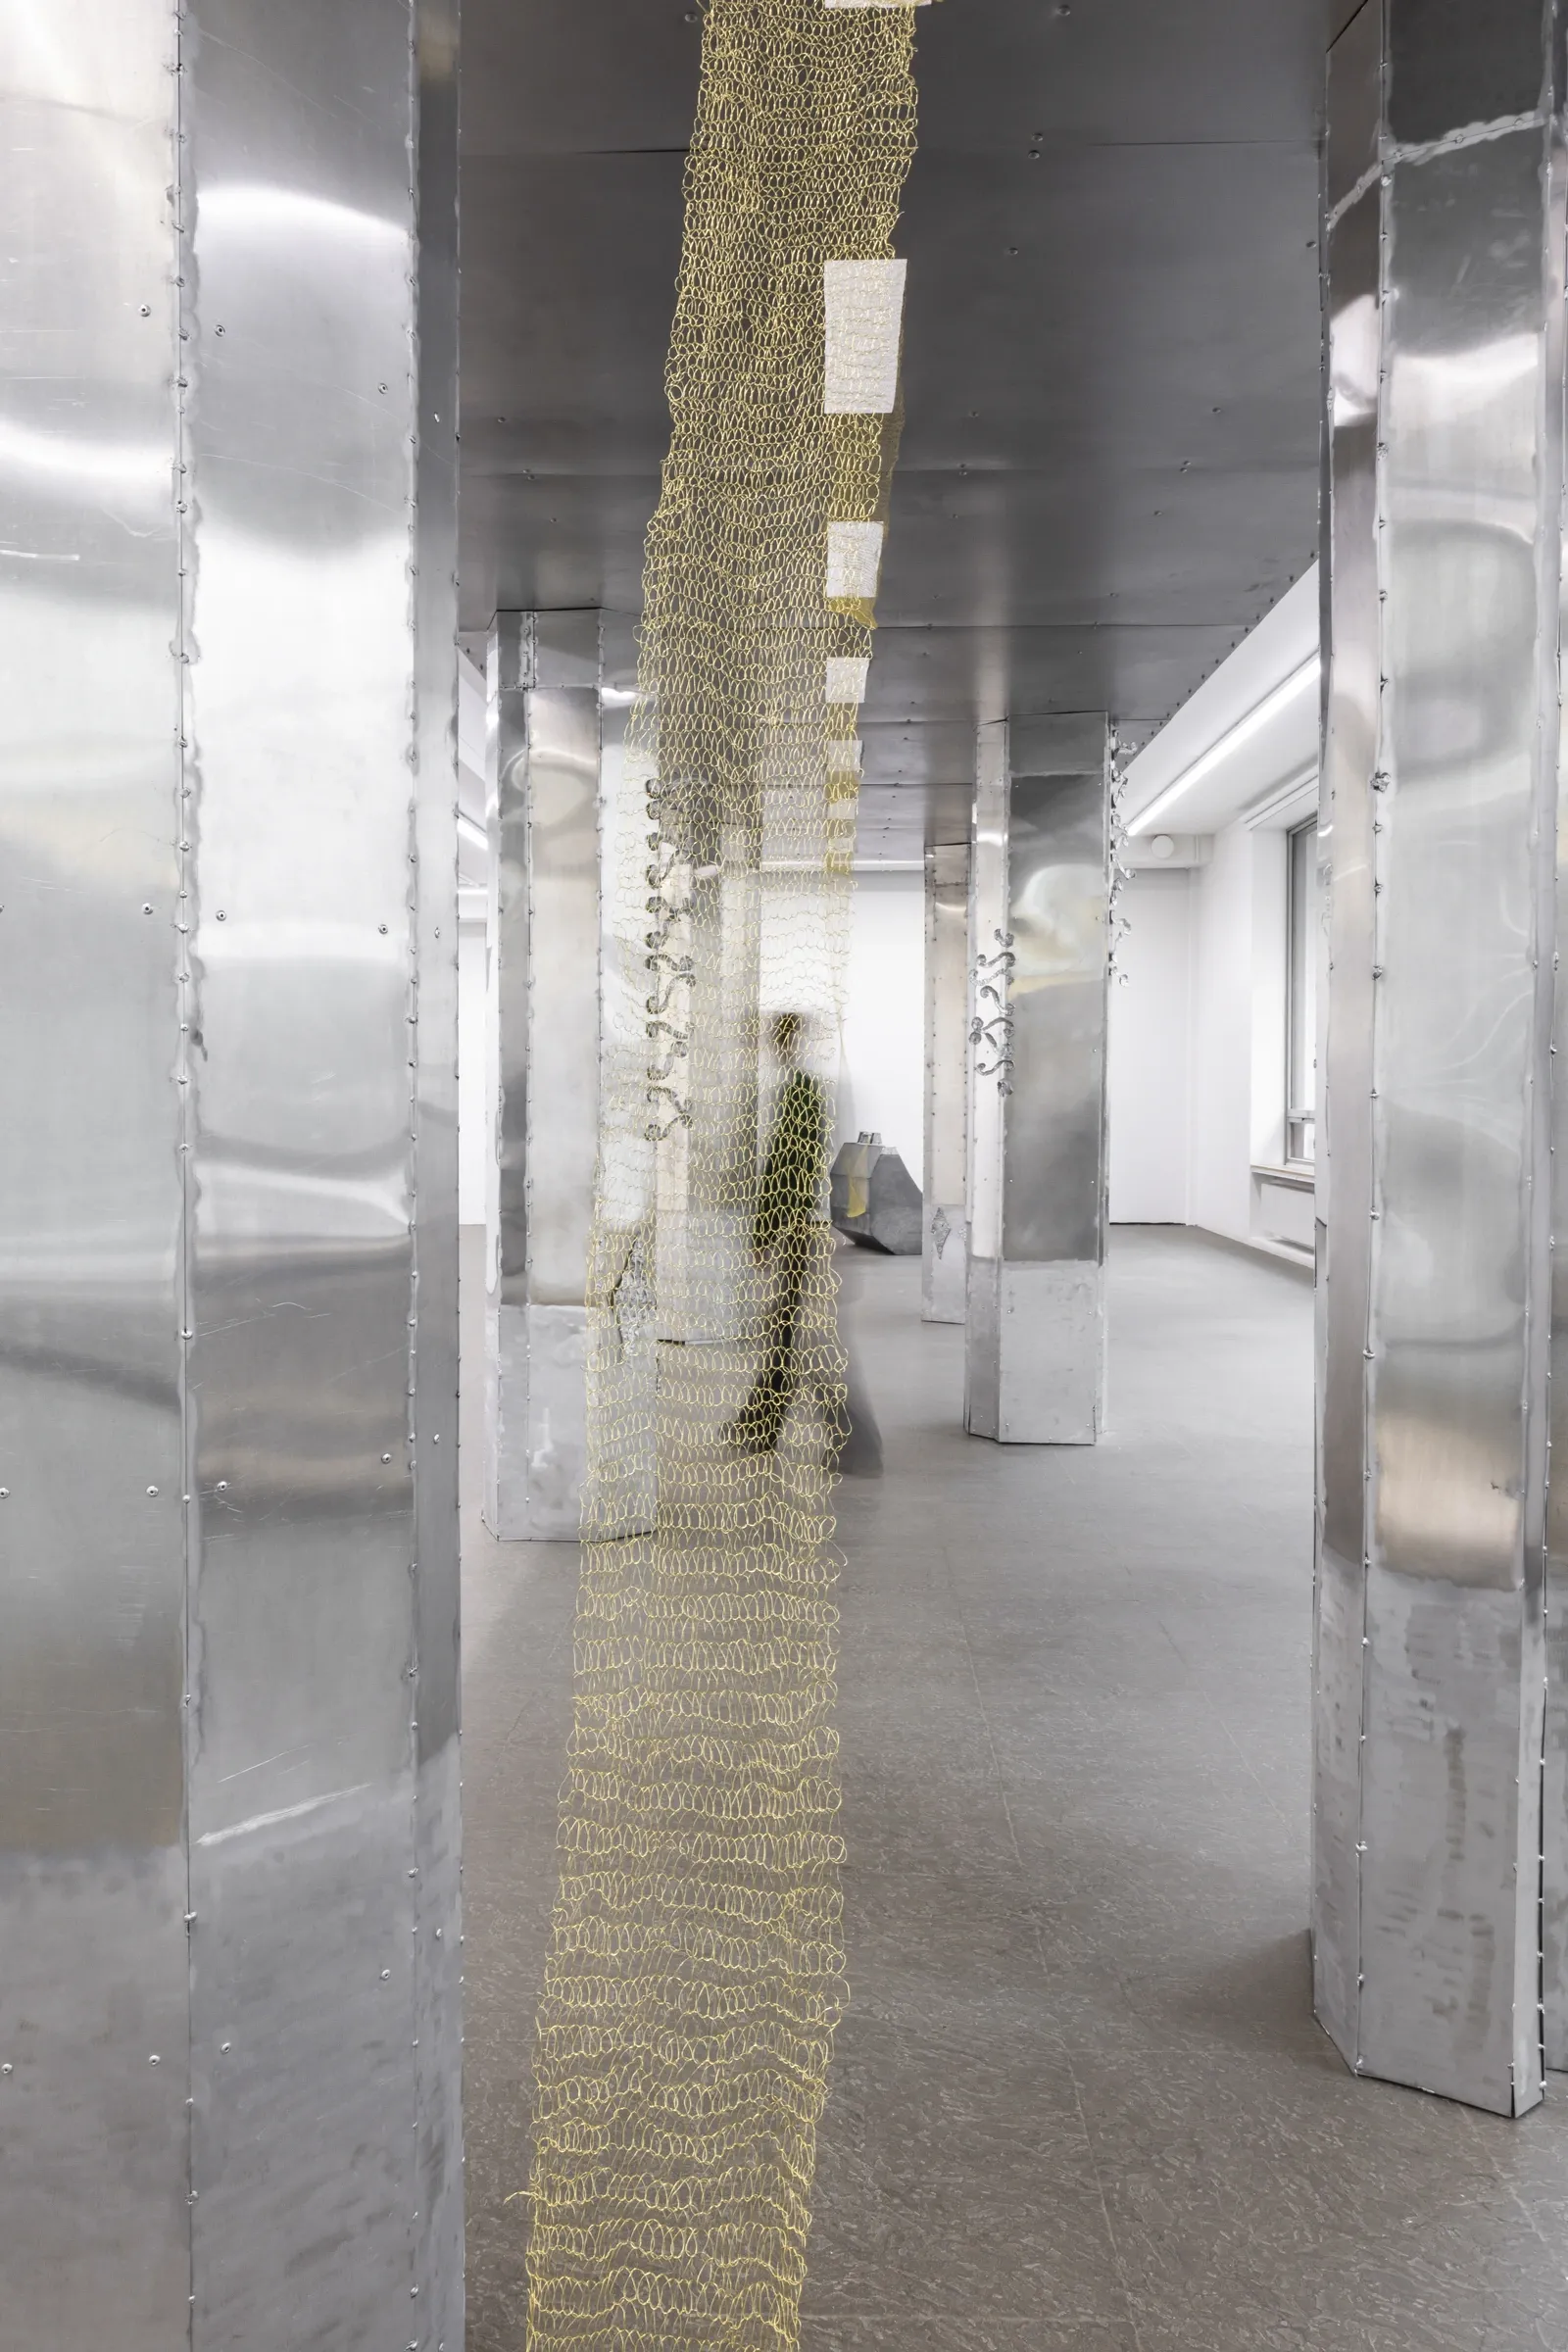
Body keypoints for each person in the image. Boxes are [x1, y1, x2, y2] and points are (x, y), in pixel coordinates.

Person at [725, 1012, 881, 1472]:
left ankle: (854, 1440)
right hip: (803, 1227)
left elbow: (789, 1170)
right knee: (786, 1329)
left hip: (800, 1231)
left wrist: (766, 1233)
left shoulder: (801, 1090)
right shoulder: (801, 1086)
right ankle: (760, 1421)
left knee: (807, 1337)